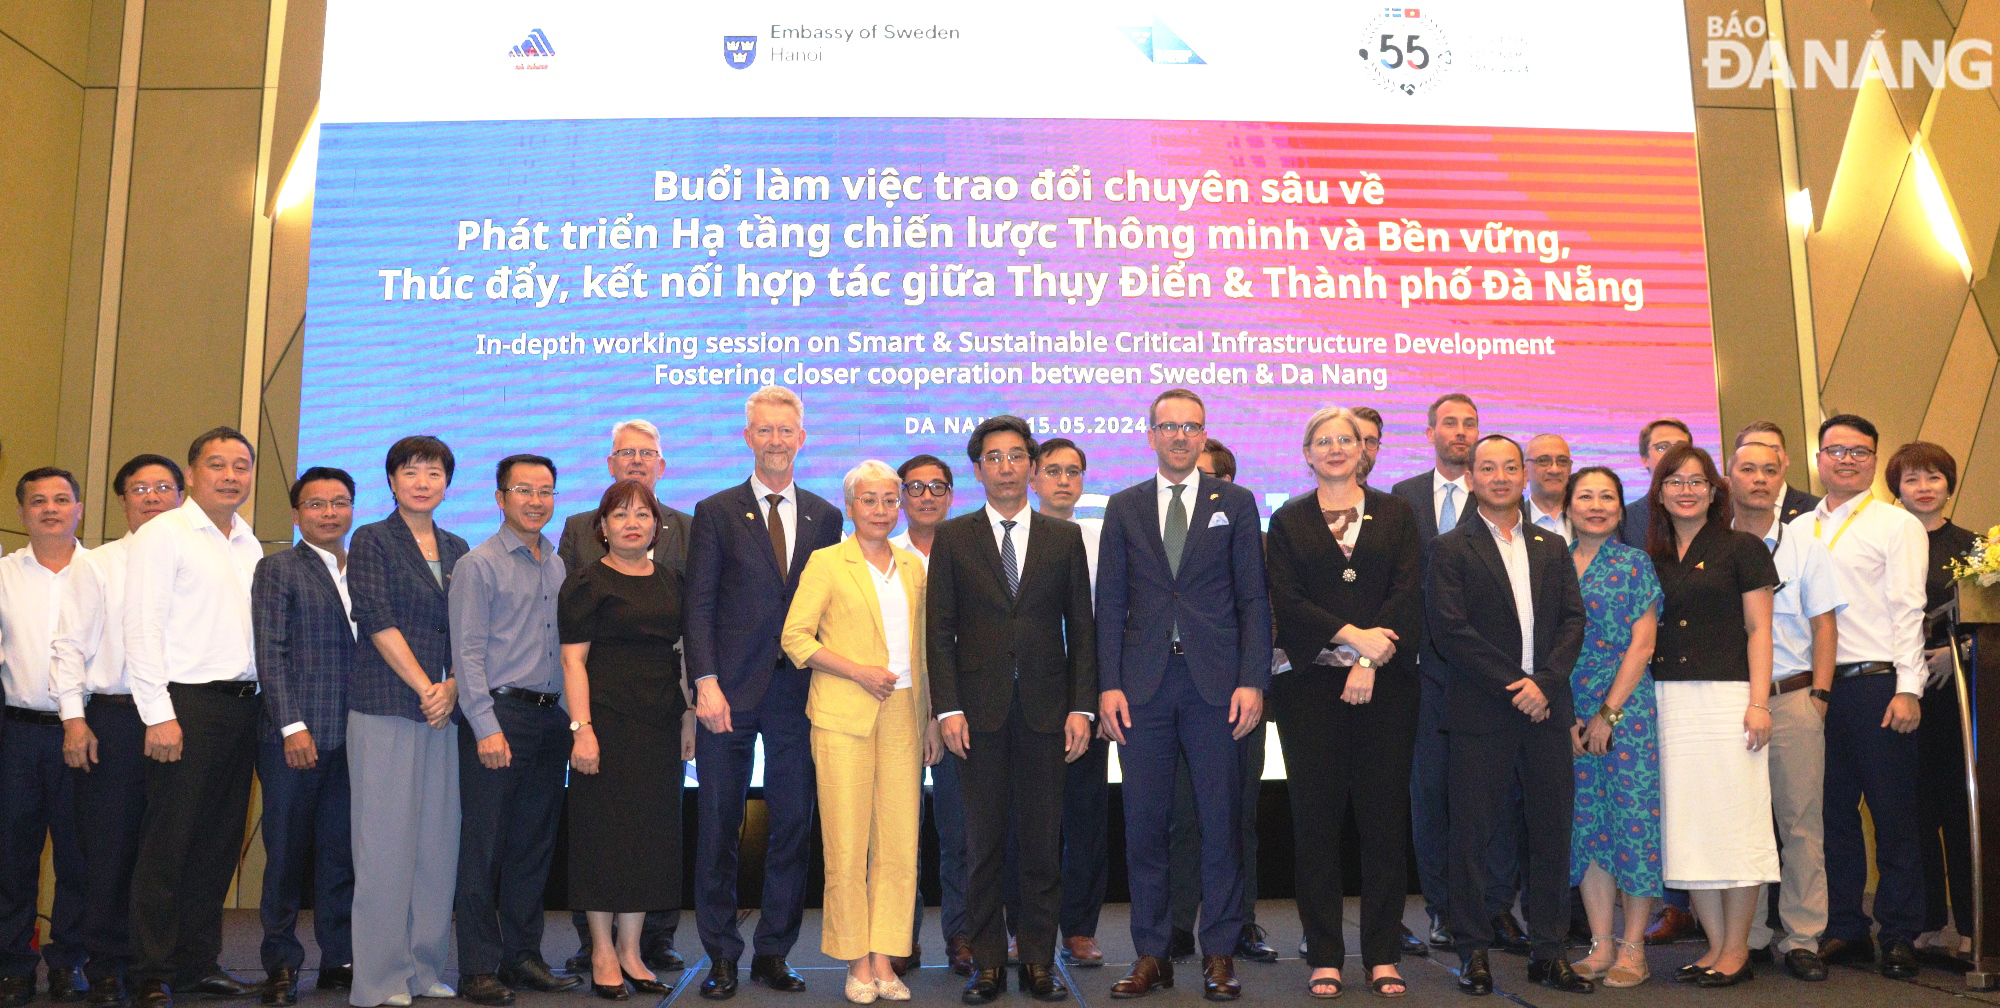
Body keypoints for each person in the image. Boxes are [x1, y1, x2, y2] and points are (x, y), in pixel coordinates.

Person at [1098, 388, 1270, 1002]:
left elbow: (1254, 598)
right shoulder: (1124, 505)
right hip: (1141, 689)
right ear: (1150, 436)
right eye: (1168, 427)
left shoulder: (1239, 502)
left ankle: (1219, 953)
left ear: (1203, 436)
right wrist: (1108, 684)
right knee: (1145, 825)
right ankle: (1152, 953)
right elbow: (1110, 602)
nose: (1179, 436)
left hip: (1217, 687)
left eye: (1191, 427)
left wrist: (1253, 679)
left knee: (1220, 823)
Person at [930, 418, 1097, 1004]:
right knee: (982, 846)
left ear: (1031, 466)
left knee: (1040, 845)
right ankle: (987, 964)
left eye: (1016, 456)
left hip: (1049, 714)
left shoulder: (1062, 538)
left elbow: (1082, 629)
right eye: (993, 458)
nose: (1005, 467)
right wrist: (946, 707)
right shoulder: (953, 538)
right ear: (979, 469)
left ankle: (1037, 961)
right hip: (976, 716)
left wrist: (1083, 708)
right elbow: (940, 630)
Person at [686, 386, 844, 999]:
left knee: (794, 824)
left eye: (787, 430)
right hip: (727, 692)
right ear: (748, 437)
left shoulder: (826, 516)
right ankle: (721, 955)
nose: (776, 440)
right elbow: (697, 604)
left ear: (801, 438)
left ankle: (773, 953)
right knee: (719, 825)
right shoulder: (716, 510)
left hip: (799, 697)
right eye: (765, 430)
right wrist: (704, 683)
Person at [1265, 407, 1423, 998]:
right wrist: (1354, 639)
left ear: (1365, 450)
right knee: (1316, 826)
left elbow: (1408, 592)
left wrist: (1366, 661)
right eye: (1323, 441)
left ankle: (1383, 955)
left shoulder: (1398, 514)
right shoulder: (1288, 519)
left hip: (1387, 689)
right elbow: (1288, 599)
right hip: (1310, 692)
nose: (1335, 449)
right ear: (1307, 453)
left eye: (1347, 440)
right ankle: (1325, 955)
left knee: (1384, 824)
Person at [1425, 434, 1590, 995]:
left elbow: (1573, 622)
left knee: (1551, 833)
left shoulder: (1550, 545)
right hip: (1481, 711)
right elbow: (1450, 631)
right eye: (1487, 468)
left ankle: (1550, 951)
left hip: (1546, 710)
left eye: (1510, 468)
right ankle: (1473, 951)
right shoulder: (1450, 549)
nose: (1500, 477)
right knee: (1472, 837)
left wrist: (1543, 684)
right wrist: (1513, 684)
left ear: (1525, 477)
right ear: (1470, 478)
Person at [124, 427, 266, 1008]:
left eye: (241, 465)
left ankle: (196, 964)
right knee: (169, 844)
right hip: (185, 707)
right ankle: (150, 973)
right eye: (217, 464)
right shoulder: (166, 533)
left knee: (216, 845)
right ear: (191, 473)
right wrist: (158, 715)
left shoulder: (249, 542)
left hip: (242, 708)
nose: (231, 475)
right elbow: (142, 628)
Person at [781, 461, 931, 1005]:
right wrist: (857, 671)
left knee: (898, 845)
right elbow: (795, 639)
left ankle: (887, 959)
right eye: (869, 501)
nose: (881, 511)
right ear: (850, 507)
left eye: (890, 500)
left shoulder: (914, 566)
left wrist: (932, 717)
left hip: (906, 713)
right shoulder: (826, 563)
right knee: (846, 844)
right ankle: (856, 961)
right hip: (844, 712)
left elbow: (925, 651)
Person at [1792, 415, 1926, 980]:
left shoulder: (1896, 524)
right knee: (1831, 816)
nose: (1846, 460)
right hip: (1814, 691)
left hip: (1877, 685)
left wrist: (1908, 688)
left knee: (1894, 815)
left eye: (1860, 452)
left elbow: (1908, 610)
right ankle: (1846, 926)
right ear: (1818, 458)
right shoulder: (1798, 528)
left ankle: (1899, 934)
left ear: (1874, 460)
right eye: (1835, 450)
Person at [1391, 394, 1527, 953]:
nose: (1462, 432)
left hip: (1488, 672)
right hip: (1422, 671)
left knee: (1497, 795)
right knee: (1430, 795)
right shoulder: (1402, 498)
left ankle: (1497, 907)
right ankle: (1444, 909)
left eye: (1470, 424)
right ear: (1430, 433)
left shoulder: (1501, 500)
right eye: (1450, 423)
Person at [558, 419, 693, 977]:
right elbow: (572, 660)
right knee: (601, 837)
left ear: (656, 526)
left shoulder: (671, 581)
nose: (633, 522)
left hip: (659, 725)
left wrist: (686, 715)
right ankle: (602, 950)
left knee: (648, 837)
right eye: (621, 515)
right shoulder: (587, 581)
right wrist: (581, 728)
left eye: (642, 514)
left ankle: (634, 951)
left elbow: (684, 648)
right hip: (604, 724)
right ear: (603, 528)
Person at [1646, 445, 1781, 986]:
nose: (1686, 489)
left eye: (1697, 481)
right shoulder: (1648, 556)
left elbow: (1760, 630)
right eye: (1675, 481)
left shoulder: (1742, 548)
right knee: (1690, 826)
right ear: (1659, 493)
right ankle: (1714, 946)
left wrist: (1758, 702)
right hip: (1668, 702)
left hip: (1730, 700)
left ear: (1713, 490)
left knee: (1737, 823)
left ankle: (1738, 950)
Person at [52, 455, 184, 1007]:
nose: (152, 497)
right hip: (117, 716)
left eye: (163, 487)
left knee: (168, 850)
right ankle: (106, 965)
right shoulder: (100, 564)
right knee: (110, 849)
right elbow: (69, 647)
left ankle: (155, 966)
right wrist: (74, 720)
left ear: (182, 495)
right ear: (122, 501)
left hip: (186, 715)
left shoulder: (198, 558)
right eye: (139, 488)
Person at [451, 454, 580, 1005]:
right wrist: (484, 726)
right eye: (523, 490)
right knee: (484, 847)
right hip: (499, 717)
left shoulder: (556, 564)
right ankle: (478, 966)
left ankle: (522, 956)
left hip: (550, 721)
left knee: (533, 845)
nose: (535, 500)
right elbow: (468, 653)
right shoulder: (478, 565)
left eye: (545, 491)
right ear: (500, 499)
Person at [345, 435, 468, 1008]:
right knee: (385, 849)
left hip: (442, 713)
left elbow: (470, 632)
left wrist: (452, 688)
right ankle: (379, 980)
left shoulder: (458, 545)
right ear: (391, 480)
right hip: (388, 708)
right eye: (411, 471)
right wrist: (427, 687)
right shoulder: (372, 539)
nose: (423, 481)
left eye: (434, 471)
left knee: (435, 848)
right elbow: (375, 617)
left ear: (448, 482)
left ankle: (423, 969)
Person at [1728, 440, 1842, 981]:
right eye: (1747, 469)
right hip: (1728, 703)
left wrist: (1818, 698)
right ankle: (1743, 937)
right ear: (1728, 475)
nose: (1758, 479)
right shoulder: (1707, 544)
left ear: (1782, 479)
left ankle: (1801, 938)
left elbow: (1825, 626)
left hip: (1794, 697)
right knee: (1739, 823)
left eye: (1769, 470)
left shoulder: (1805, 546)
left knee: (1800, 824)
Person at [250, 469, 360, 1007]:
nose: (329, 513)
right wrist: (292, 725)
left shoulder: (363, 569)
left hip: (355, 739)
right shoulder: (278, 569)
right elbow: (270, 652)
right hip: (295, 738)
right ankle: (280, 962)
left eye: (340, 503)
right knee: (287, 855)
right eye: (316, 504)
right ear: (297, 514)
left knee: (341, 854)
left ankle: (338, 956)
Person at [1168, 438, 1273, 965]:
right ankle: (1181, 924)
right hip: (1175, 693)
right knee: (1183, 817)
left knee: (1237, 816)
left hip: (1236, 697)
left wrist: (1251, 681)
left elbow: (1262, 614)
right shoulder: (1164, 541)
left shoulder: (1253, 536)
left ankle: (1241, 923)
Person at [1559, 468, 1661, 989]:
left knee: (1633, 823)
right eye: (1585, 497)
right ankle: (1600, 944)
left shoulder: (1634, 562)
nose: (1596, 506)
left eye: (1607, 498)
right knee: (1588, 827)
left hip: (1627, 712)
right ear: (1568, 505)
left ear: (1621, 509)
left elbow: (1643, 644)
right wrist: (1569, 713)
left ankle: (1634, 947)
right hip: (1569, 713)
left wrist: (1608, 713)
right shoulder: (1552, 561)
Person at [0, 468, 88, 1005]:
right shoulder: (4, 574)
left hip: (86, 735)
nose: (50, 509)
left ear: (80, 507)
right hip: (19, 735)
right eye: (38, 501)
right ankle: (12, 965)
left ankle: (70, 961)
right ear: (22, 512)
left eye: (61, 499)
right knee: (12, 857)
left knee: (80, 857)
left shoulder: (103, 571)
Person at [1888, 441, 1976, 958]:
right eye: (1912, 479)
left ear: (1949, 484)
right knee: (1910, 811)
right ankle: (1924, 922)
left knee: (1959, 810)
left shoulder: (1975, 547)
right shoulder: (1886, 541)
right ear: (1895, 487)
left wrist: (1957, 653)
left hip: (1956, 698)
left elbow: (1989, 622)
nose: (1924, 488)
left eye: (1934, 478)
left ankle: (1971, 923)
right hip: (1900, 693)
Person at [1029, 439, 1112, 969]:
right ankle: (1025, 926)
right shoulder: (1010, 536)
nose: (1064, 480)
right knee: (1026, 818)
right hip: (1025, 693)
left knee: (1085, 817)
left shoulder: (1103, 535)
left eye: (1074, 472)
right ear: (1033, 477)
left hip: (1085, 692)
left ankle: (1079, 929)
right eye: (1053, 471)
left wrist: (1095, 695)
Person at [884, 454, 956, 976]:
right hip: (893, 710)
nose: (927, 496)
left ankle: (963, 939)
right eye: (916, 487)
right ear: (901, 497)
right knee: (896, 833)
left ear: (952, 494)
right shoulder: (879, 553)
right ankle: (897, 939)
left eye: (937, 486)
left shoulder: (971, 549)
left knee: (960, 833)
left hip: (956, 711)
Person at [1617, 419, 1691, 550]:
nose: (1673, 454)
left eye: (1681, 447)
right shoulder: (1625, 519)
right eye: (1662, 447)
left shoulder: (1710, 513)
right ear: (1645, 459)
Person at [1734, 423, 1820, 523]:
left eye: (1773, 450)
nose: (1765, 457)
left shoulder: (1816, 509)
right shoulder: (1720, 515)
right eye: (1752, 451)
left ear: (1786, 458)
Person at [1524, 435, 1574, 544]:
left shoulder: (1589, 518)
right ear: (1525, 470)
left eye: (1562, 461)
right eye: (1543, 461)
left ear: (1570, 469)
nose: (1554, 470)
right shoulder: (1512, 520)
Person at [1351, 408, 1384, 487]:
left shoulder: (1389, 499)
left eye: (1371, 441)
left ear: (1377, 449)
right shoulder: (1316, 499)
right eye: (1356, 438)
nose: (1363, 447)